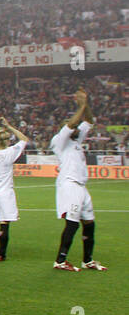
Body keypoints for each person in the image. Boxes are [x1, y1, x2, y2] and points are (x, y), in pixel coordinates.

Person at [52, 89, 105, 272]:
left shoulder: (76, 140)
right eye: (71, 126)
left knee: (89, 222)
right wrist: (81, 105)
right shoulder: (59, 140)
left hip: (82, 186)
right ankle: (60, 261)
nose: (75, 127)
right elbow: (74, 122)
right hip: (69, 184)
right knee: (72, 223)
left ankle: (87, 260)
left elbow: (89, 121)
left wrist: (86, 104)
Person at [0, 117, 27, 261]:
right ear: (7, 141)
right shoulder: (9, 152)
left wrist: (0, 131)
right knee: (4, 221)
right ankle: (1, 254)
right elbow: (24, 139)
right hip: (4, 191)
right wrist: (9, 127)